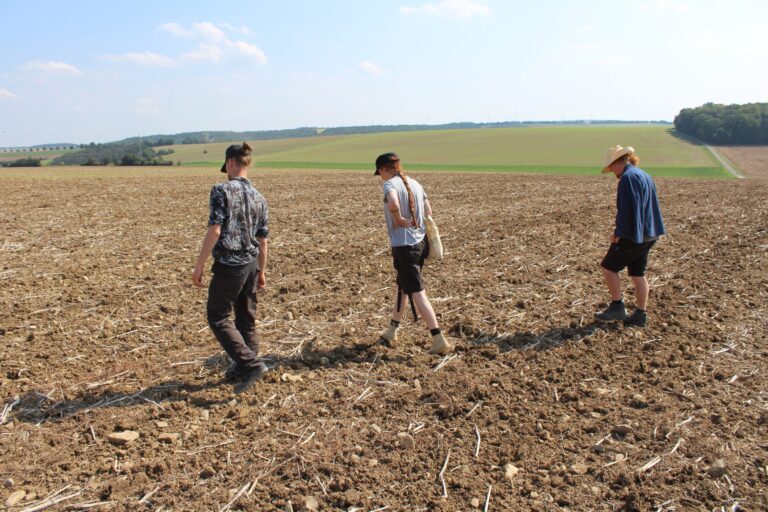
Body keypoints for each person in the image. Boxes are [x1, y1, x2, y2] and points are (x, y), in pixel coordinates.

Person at [192, 142, 270, 393]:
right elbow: (262, 240)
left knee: (218, 316)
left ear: (230, 163)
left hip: (230, 265)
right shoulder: (260, 197)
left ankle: (252, 365)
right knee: (246, 319)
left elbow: (215, 230)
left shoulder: (221, 190)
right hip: (251, 264)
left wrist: (199, 265)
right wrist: (261, 271)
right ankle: (242, 368)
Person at [374, 152, 452, 354]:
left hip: (405, 246)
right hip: (419, 243)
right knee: (404, 286)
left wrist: (398, 218)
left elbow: (393, 202)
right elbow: (428, 212)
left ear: (383, 169)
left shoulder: (390, 184)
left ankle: (438, 338)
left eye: (380, 173)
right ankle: (392, 330)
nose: (381, 177)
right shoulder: (415, 184)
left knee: (417, 292)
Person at [595, 145, 665, 327]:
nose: (612, 172)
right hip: (649, 234)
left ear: (617, 162)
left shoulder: (627, 178)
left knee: (608, 267)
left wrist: (619, 233)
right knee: (638, 274)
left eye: (611, 167)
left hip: (634, 235)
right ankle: (641, 314)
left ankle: (617, 306)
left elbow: (626, 210)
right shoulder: (644, 175)